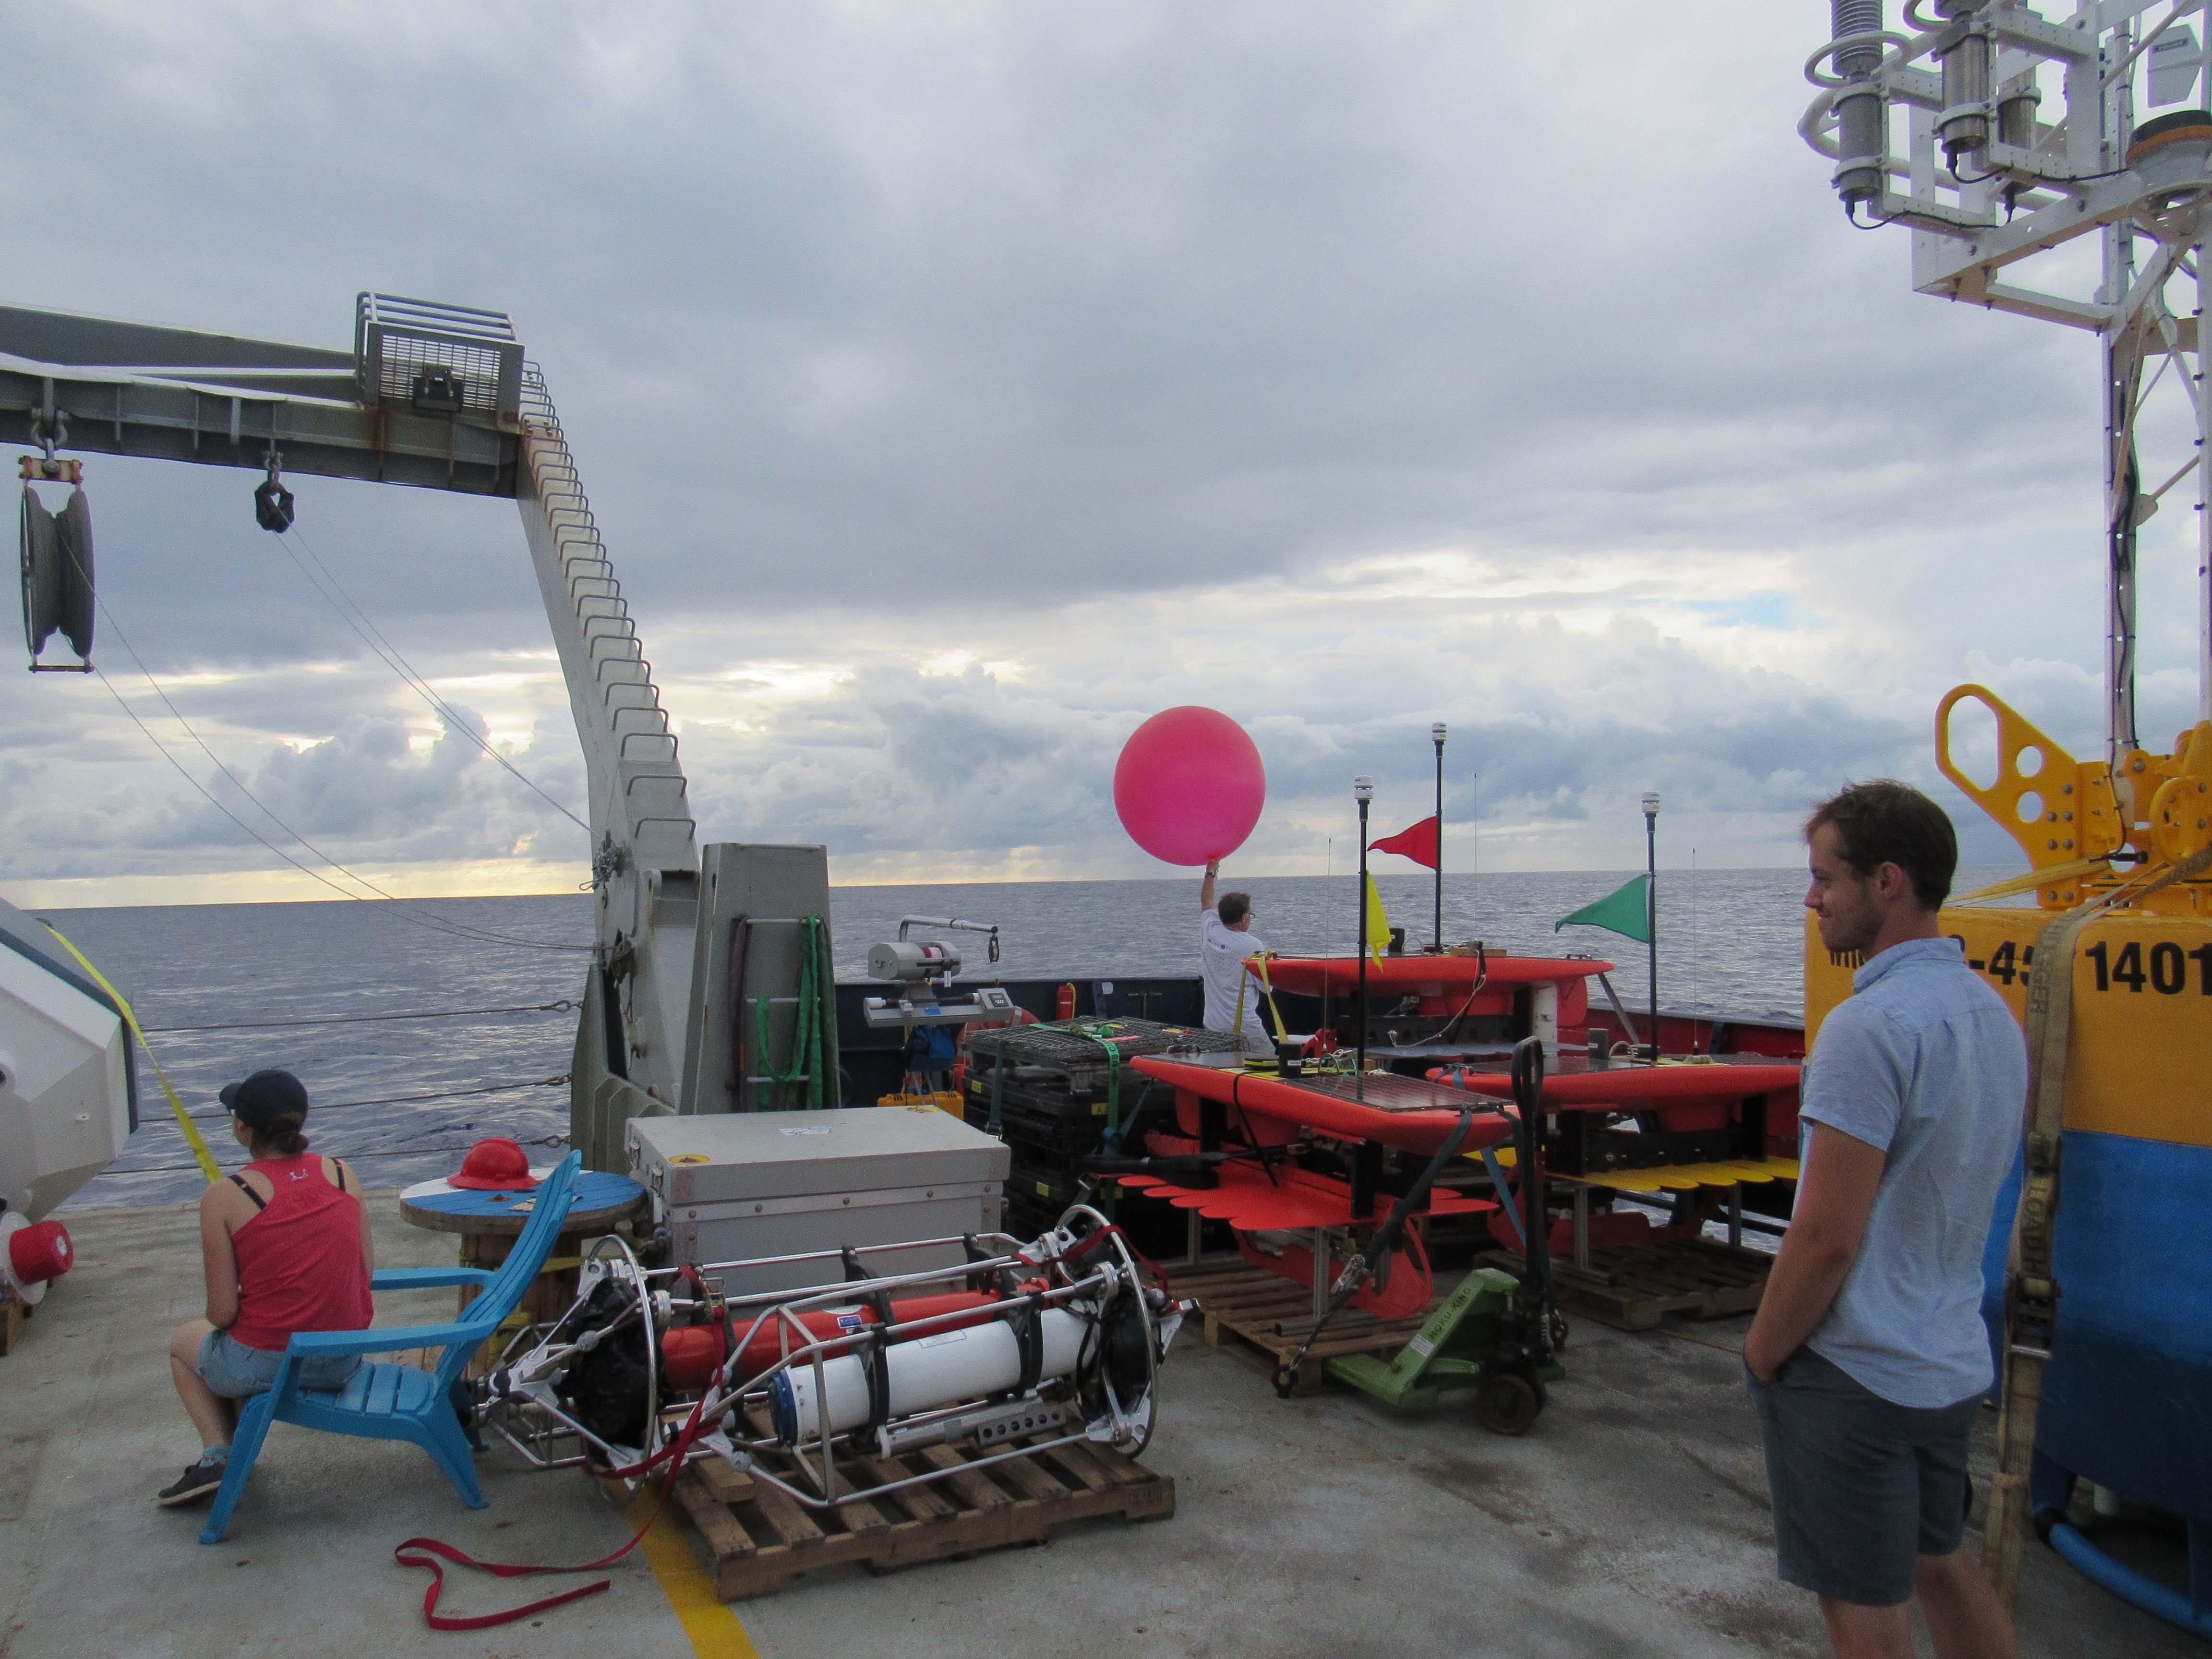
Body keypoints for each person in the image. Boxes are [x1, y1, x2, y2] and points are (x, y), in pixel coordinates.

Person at [1743, 781, 2025, 1659]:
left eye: (1826, 877)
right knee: (1938, 1557)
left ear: (1887, 881)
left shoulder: (1865, 1028)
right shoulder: (1992, 1015)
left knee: (1863, 1604)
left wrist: (1762, 1351)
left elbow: (1826, 1237)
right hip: (1946, 1355)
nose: (1811, 897)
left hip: (1854, 1370)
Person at [159, 1069, 373, 1508]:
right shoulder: (341, 1173)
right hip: (343, 1356)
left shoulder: (225, 1195)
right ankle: (233, 1456)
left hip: (273, 1364)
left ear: (242, 1129)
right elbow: (364, 1271)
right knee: (240, 1348)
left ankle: (218, 1455)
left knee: (188, 1342)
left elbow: (222, 1314)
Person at [1199, 860, 1273, 1057]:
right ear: (1243, 919)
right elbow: (1266, 988)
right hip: (1245, 1031)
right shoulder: (1252, 946)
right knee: (1272, 1068)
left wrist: (1210, 872)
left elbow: (1206, 903)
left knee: (1222, 1074)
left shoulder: (1210, 930)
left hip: (1214, 1028)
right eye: (1249, 914)